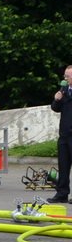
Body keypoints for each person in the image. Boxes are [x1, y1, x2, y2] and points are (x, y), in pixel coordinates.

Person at [48, 64, 72, 204]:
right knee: (63, 165)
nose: (65, 78)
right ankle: (62, 193)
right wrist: (56, 99)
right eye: (65, 76)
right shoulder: (63, 90)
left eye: (68, 76)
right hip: (64, 135)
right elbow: (55, 108)